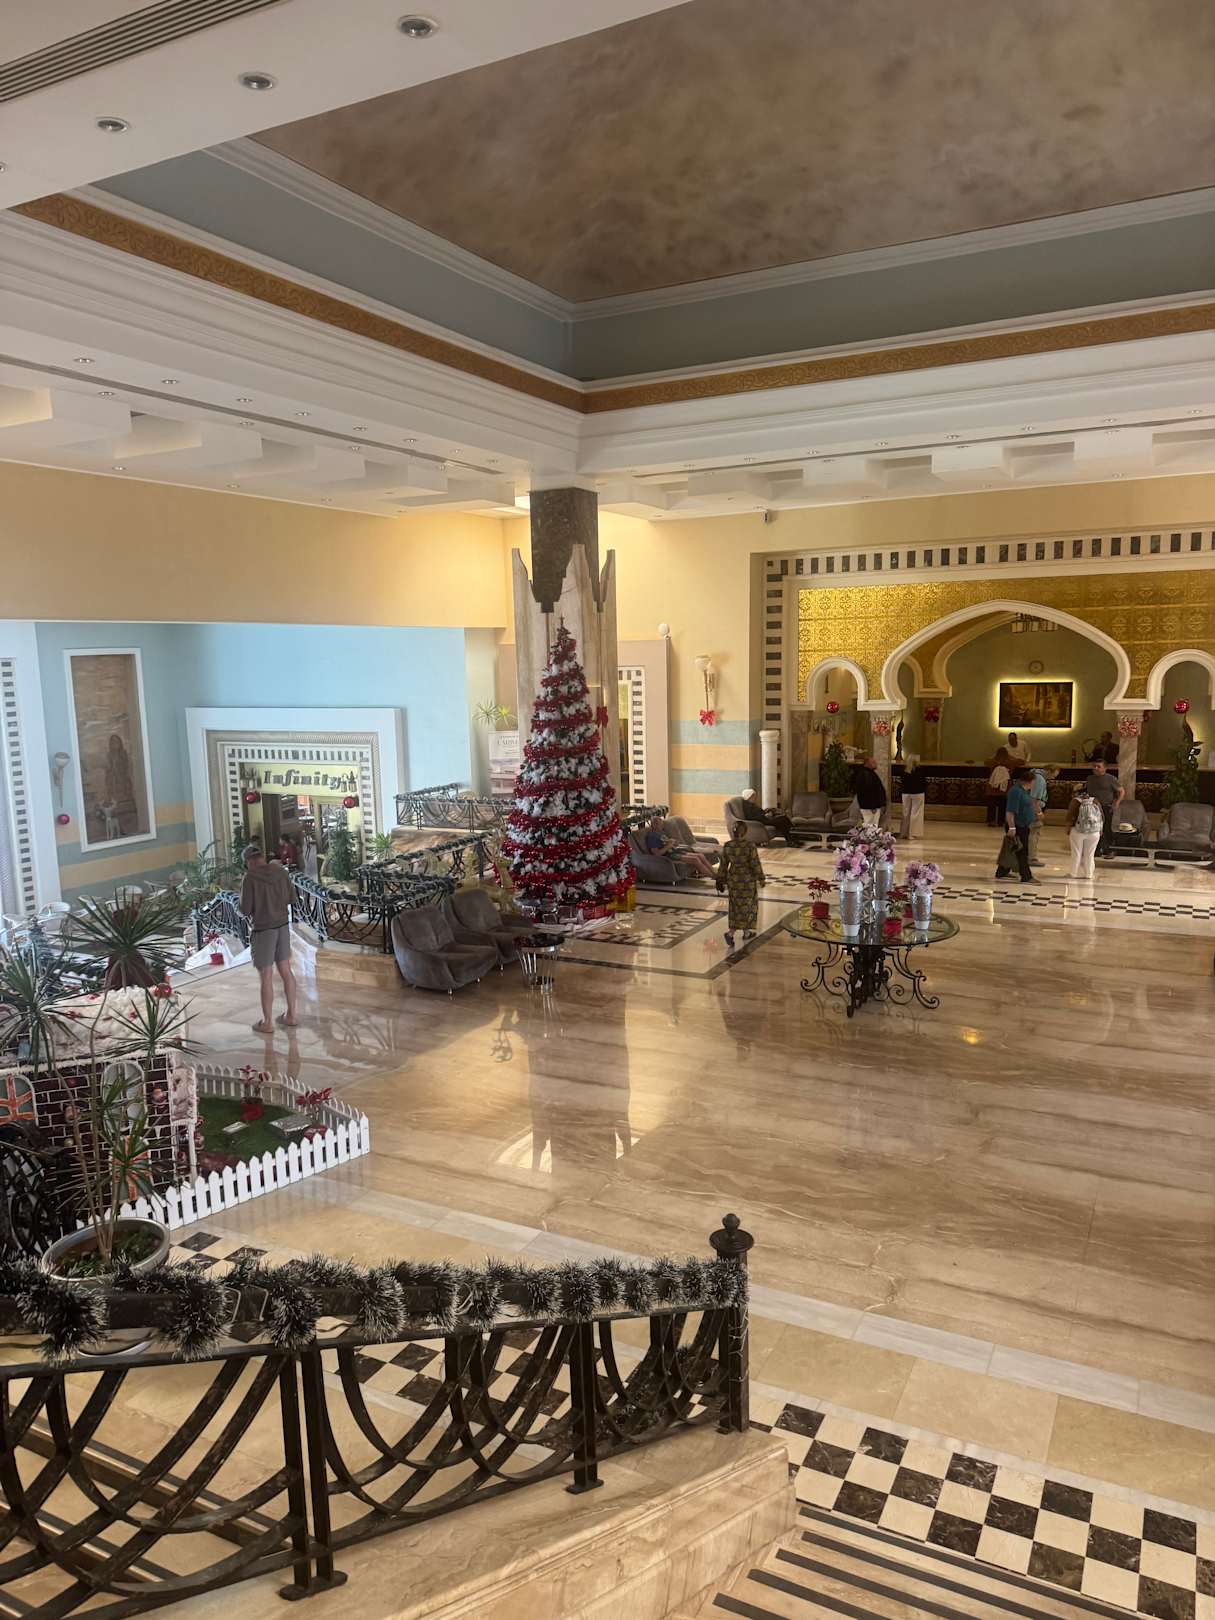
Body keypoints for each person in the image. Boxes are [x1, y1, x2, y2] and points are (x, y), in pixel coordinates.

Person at [239, 843, 299, 1033]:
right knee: (286, 970)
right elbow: (292, 898)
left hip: (263, 930)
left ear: (249, 862)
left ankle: (267, 1022)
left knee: (266, 975)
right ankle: (291, 1015)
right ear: (261, 857)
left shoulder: (250, 878)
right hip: (283, 925)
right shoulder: (280, 871)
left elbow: (245, 909)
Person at [716, 820, 765, 949]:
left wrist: (720, 879)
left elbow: (723, 865)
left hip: (733, 880)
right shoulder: (749, 846)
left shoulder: (728, 845)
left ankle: (746, 933)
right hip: (747, 881)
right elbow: (755, 863)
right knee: (748, 906)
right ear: (745, 832)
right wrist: (761, 878)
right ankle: (730, 934)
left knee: (735, 907)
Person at [995, 768, 1038, 883]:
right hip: (1017, 826)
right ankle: (1026, 876)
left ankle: (1002, 872)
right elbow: (1010, 811)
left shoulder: (1023, 791)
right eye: (1033, 782)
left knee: (1012, 849)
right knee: (1022, 852)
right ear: (1029, 781)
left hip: (1023, 825)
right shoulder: (1016, 792)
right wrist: (1012, 827)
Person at [644, 813, 715, 880]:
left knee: (700, 855)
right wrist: (668, 845)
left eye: (661, 824)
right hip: (669, 856)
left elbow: (665, 843)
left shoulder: (661, 833)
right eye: (659, 824)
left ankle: (715, 875)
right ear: (654, 825)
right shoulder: (652, 837)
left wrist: (673, 843)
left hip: (675, 851)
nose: (662, 826)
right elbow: (656, 853)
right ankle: (715, 878)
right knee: (695, 859)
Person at [1083, 760, 1124, 856]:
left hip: (1106, 806)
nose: (1095, 768)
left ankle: (1109, 849)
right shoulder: (1090, 778)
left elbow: (1121, 791)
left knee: (1106, 828)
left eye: (1098, 766)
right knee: (1093, 829)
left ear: (1104, 768)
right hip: (1092, 807)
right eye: (1094, 766)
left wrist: (1117, 802)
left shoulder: (1110, 779)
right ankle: (1096, 849)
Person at [1068, 786, 1104, 880]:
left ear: (1076, 792)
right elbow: (1102, 816)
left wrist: (1068, 829)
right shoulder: (1095, 800)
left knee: (1076, 853)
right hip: (1094, 832)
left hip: (1078, 831)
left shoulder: (1075, 801)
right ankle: (1089, 874)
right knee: (1090, 854)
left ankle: (1073, 873)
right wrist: (1100, 830)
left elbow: (1069, 817)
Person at [852, 756, 887, 829]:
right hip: (869, 807)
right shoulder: (866, 774)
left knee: (872, 826)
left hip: (871, 806)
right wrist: (873, 806)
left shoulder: (869, 773)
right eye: (873, 762)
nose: (876, 764)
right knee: (870, 826)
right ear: (868, 763)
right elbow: (868, 791)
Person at [898, 754, 927, 840]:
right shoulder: (920, 770)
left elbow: (902, 782)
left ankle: (904, 832)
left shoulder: (904, 770)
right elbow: (923, 782)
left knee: (905, 812)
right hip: (918, 793)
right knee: (916, 813)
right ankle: (912, 833)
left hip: (906, 793)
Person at [1027, 767, 1051, 867]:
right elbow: (1034, 798)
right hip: (1034, 809)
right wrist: (1039, 812)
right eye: (1054, 775)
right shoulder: (1040, 779)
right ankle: (1031, 858)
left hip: (1029, 808)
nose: (1053, 778)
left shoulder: (1033, 775)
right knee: (1034, 833)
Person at [986, 749, 1011, 826]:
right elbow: (1021, 762)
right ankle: (1001, 821)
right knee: (1003, 805)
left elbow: (986, 762)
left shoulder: (993, 761)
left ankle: (991, 820)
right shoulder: (1009, 762)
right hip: (1004, 787)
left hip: (993, 787)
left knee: (991, 804)